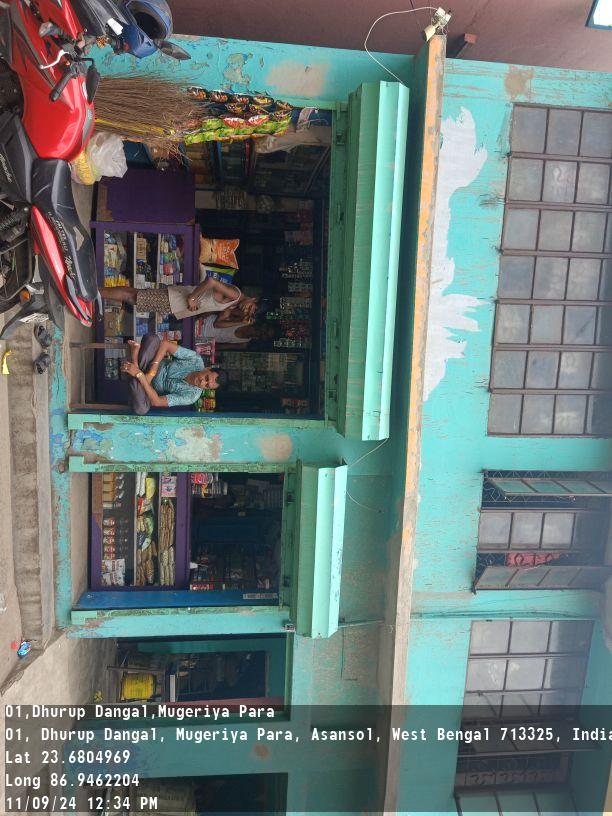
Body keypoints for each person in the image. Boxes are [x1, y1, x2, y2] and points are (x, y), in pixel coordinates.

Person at [121, 334, 228, 415]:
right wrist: (152, 370)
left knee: (141, 409)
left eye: (207, 385)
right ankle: (135, 368)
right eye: (206, 378)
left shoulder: (192, 396)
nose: (202, 382)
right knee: (153, 339)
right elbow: (165, 344)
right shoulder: (195, 359)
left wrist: (141, 376)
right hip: (149, 364)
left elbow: (157, 402)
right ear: (207, 368)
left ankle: (134, 361)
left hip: (147, 389)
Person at [102, 276, 259, 321]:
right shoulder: (236, 295)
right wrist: (192, 298)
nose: (247, 310)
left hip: (176, 303)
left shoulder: (235, 302)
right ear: (253, 299)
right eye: (251, 307)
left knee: (134, 296)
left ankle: (96, 292)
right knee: (132, 296)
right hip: (177, 300)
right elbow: (211, 281)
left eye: (249, 312)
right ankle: (95, 292)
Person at [197, 299, 278, 349]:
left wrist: (199, 345)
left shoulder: (243, 343)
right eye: (266, 330)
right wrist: (201, 316)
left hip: (199, 338)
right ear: (264, 325)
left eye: (266, 335)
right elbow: (223, 309)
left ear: (264, 339)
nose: (263, 332)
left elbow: (218, 346)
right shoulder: (244, 317)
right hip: (202, 321)